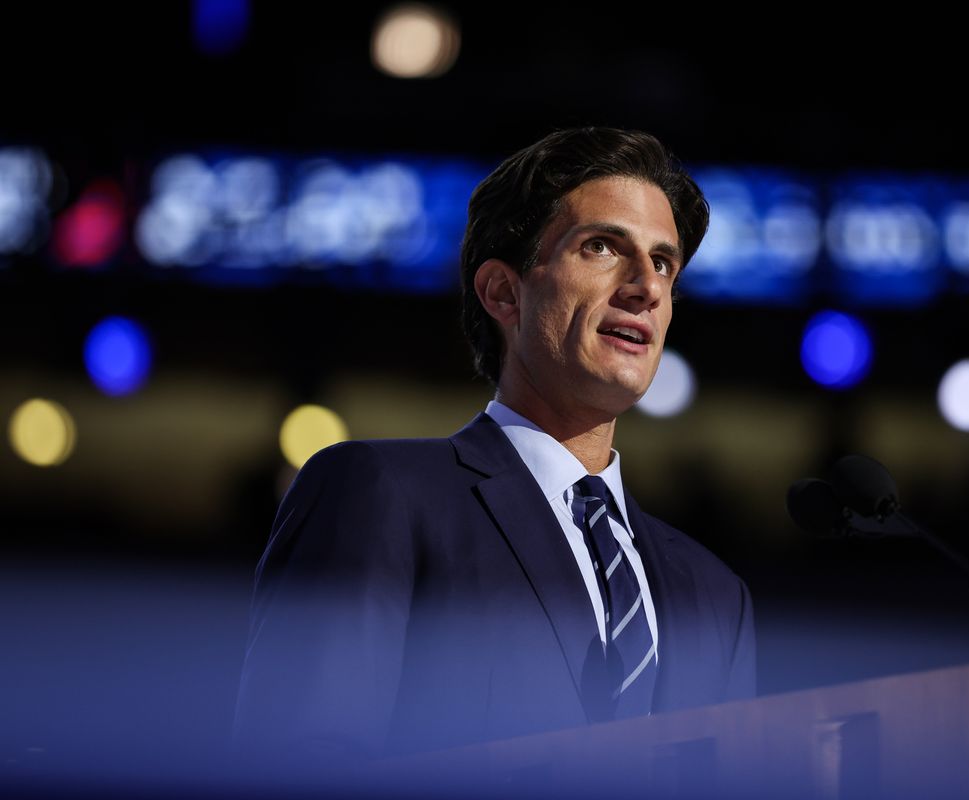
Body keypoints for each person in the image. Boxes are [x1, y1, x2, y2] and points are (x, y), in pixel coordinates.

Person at [233, 127, 756, 764]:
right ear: (503, 292)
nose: (646, 286)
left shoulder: (716, 595)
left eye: (664, 263)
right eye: (601, 247)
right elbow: (299, 763)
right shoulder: (379, 494)